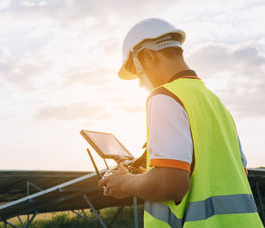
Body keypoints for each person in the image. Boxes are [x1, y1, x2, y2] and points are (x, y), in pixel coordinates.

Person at [98, 18, 263, 227]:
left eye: (138, 74)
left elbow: (172, 184)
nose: (140, 84)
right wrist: (144, 176)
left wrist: (125, 183)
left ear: (148, 57)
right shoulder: (215, 102)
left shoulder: (164, 97)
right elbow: (215, 174)